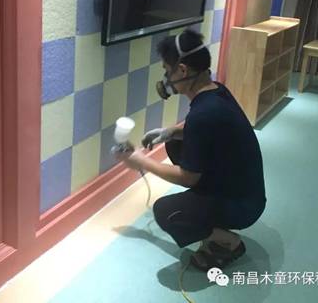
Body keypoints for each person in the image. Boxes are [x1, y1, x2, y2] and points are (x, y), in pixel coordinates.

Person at [113, 28, 266, 271]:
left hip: (244, 206)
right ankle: (208, 208)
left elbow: (187, 177)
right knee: (175, 143)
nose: (166, 78)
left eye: (167, 70)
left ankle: (228, 242)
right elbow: (208, 131)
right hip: (245, 189)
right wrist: (171, 132)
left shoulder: (203, 114)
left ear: (182, 70)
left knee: (167, 212)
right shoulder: (217, 91)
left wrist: (141, 161)